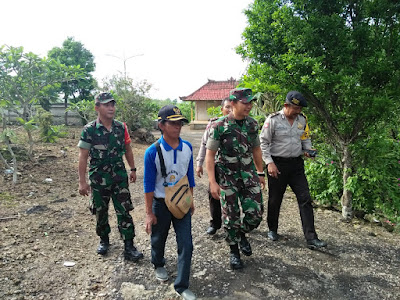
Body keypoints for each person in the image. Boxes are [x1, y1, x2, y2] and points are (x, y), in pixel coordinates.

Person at [78, 92, 143, 261]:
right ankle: (104, 240)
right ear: (97, 107)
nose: (111, 108)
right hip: (99, 178)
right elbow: (83, 156)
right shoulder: (89, 130)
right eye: (106, 104)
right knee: (100, 211)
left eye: (112, 104)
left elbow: (127, 149)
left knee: (124, 210)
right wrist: (82, 182)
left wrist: (133, 169)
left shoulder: (121, 127)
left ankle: (129, 245)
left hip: (119, 177)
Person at [259, 90, 327, 250]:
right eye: (295, 109)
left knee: (305, 198)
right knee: (275, 199)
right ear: (286, 105)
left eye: (300, 109)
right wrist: (269, 163)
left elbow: (305, 138)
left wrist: (308, 150)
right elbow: (263, 143)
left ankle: (311, 238)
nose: (298, 112)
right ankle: (272, 229)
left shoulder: (302, 120)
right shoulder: (273, 120)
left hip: (296, 165)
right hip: (278, 165)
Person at [205, 88, 265, 270]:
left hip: (248, 175)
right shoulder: (219, 126)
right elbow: (210, 155)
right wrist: (213, 182)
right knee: (230, 217)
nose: (249, 106)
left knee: (255, 214)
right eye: (245, 102)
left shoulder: (253, 125)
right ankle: (234, 251)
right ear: (232, 103)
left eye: (250, 102)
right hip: (227, 177)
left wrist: (260, 173)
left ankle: (240, 234)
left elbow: (256, 149)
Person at [143, 105, 196, 300]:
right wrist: (149, 212)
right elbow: (148, 184)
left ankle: (181, 285)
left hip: (181, 201)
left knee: (187, 244)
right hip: (160, 202)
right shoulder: (152, 152)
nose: (178, 127)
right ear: (161, 125)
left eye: (180, 123)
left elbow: (189, 176)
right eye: (173, 123)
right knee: (159, 237)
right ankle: (158, 263)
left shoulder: (187, 148)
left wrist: (191, 200)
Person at [195, 98, 231, 235]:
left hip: (233, 167)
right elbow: (204, 145)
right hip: (216, 165)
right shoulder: (213, 124)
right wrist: (199, 163)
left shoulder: (241, 124)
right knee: (213, 193)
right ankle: (215, 223)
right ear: (222, 109)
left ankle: (236, 225)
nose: (230, 110)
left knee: (234, 196)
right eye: (227, 107)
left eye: (232, 107)